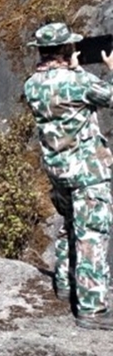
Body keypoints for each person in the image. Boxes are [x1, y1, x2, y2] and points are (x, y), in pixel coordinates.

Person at [23, 22, 113, 329]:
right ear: (65, 49)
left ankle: (64, 283)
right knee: (92, 235)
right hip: (88, 173)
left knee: (69, 225)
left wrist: (73, 69)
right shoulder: (79, 81)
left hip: (58, 171)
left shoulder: (31, 84)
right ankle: (92, 309)